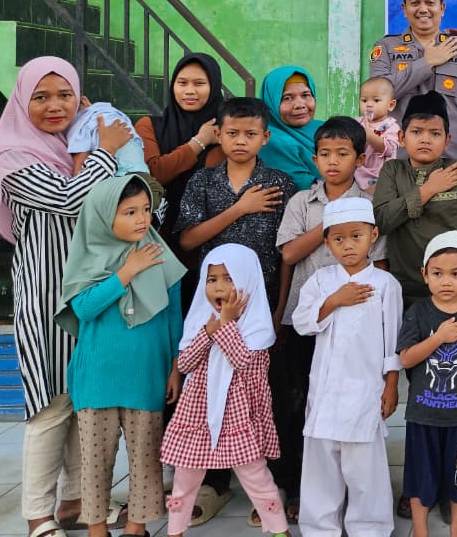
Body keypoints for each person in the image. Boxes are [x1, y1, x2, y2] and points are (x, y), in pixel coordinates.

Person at [0, 56, 130, 537]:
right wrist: (105, 151)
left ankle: (76, 502)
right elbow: (69, 198)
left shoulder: (67, 147)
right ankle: (37, 515)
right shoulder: (15, 158)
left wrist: (88, 136)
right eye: (41, 97)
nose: (54, 106)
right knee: (49, 409)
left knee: (82, 401)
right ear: (21, 101)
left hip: (89, 295)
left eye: (64, 95)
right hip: (46, 301)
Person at [56, 174, 186, 537]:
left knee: (146, 457)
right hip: (96, 375)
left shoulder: (159, 254)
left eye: (145, 210)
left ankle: (136, 528)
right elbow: (82, 308)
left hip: (146, 372)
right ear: (102, 215)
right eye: (129, 212)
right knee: (95, 462)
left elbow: (174, 316)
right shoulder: (87, 256)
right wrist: (126, 272)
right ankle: (97, 529)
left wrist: (175, 368)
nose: (141, 219)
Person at [273, 117, 385, 522]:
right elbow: (287, 257)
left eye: (343, 154)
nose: (333, 162)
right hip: (308, 317)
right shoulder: (302, 203)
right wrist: (332, 223)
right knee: (301, 401)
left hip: (359, 319)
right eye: (325, 154)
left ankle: (359, 499)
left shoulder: (370, 204)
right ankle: (301, 489)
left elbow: (381, 261)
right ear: (315, 157)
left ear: (359, 158)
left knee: (356, 400)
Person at [292, 197, 403, 537]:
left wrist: (391, 384)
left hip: (364, 391)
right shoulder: (321, 281)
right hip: (326, 392)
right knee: (321, 467)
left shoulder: (385, 285)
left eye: (356, 236)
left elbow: (393, 341)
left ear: (373, 235)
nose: (348, 245)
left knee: (364, 469)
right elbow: (301, 323)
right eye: (338, 239)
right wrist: (334, 301)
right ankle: (318, 528)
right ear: (327, 242)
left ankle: (369, 527)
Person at [161, 245, 288, 537]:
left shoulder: (257, 326)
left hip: (239, 416)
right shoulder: (200, 321)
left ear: (248, 281)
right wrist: (209, 330)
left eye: (229, 278)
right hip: (198, 416)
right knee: (186, 477)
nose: (219, 287)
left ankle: (280, 530)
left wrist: (226, 325)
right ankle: (174, 531)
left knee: (255, 476)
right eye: (212, 279)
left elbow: (242, 360)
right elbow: (188, 361)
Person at [398, 231, 457, 537]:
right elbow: (406, 359)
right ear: (425, 275)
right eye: (438, 274)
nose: (446, 281)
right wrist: (438, 338)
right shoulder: (418, 313)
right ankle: (422, 531)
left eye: (455, 273)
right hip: (422, 416)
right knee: (420, 478)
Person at [374, 91, 457, 307]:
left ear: (447, 140)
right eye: (417, 132)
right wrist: (428, 190)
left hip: (455, 295)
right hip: (403, 293)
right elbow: (381, 221)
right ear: (402, 138)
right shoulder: (392, 170)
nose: (425, 139)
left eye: (435, 134)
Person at [175, 97, 296, 307]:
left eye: (250, 134)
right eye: (232, 133)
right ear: (218, 135)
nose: (241, 141)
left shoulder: (279, 184)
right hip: (213, 300)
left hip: (264, 298)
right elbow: (187, 241)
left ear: (265, 137)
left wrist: (282, 308)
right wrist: (240, 208)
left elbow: (287, 251)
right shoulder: (203, 181)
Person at [136, 53, 226, 313]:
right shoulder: (149, 125)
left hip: (210, 246)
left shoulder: (228, 130)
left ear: (214, 86)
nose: (190, 91)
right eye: (182, 83)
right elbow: (154, 174)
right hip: (158, 243)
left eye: (199, 83)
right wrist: (199, 142)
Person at [367, 0, 457, 157]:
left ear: (442, 8)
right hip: (399, 157)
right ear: (404, 9)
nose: (423, 9)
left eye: (430, 3)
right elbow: (377, 97)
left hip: (448, 157)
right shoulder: (385, 48)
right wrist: (427, 62)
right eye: (415, 3)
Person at [258, 66, 324, 191]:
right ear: (270, 102)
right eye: (287, 98)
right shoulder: (270, 139)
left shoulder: (322, 127)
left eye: (306, 95)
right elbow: (306, 186)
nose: (300, 105)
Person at [67, 102, 148, 177]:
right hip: (144, 173)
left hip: (121, 178)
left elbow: (79, 171)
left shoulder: (80, 124)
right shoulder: (117, 115)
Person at [355, 76, 401, 189]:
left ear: (391, 105)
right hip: (357, 173)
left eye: (376, 100)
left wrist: (369, 135)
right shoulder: (357, 122)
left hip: (380, 177)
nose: (369, 105)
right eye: (364, 100)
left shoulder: (391, 126)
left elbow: (389, 149)